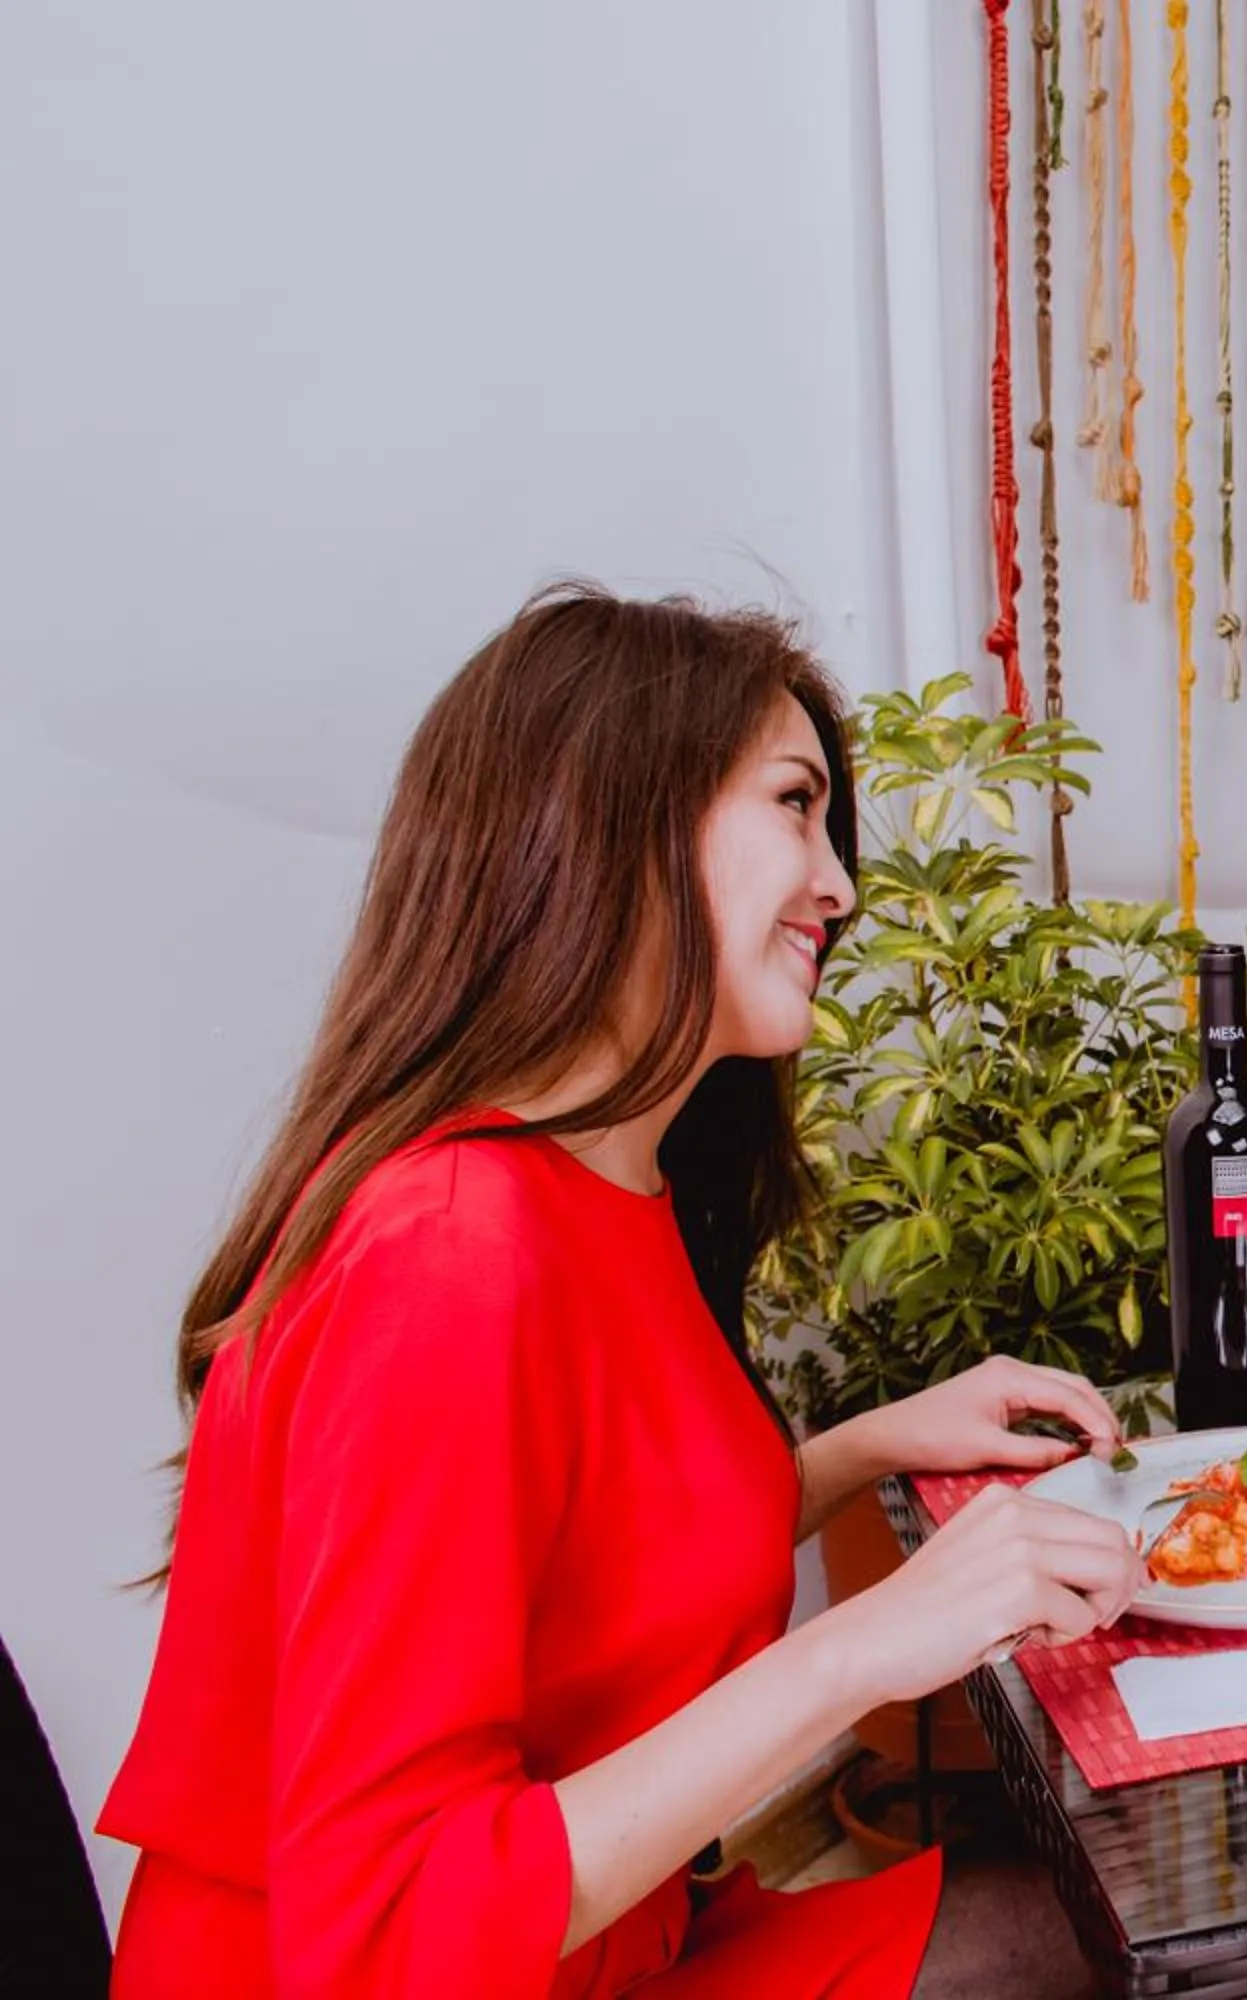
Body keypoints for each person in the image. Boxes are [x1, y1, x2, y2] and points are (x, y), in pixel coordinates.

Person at [100, 588, 1141, 1998]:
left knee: (1108, 1924)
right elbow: (394, 1930)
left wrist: (875, 1443)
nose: (838, 885)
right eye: (796, 805)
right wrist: (858, 1651)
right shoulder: (443, 1256)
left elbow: (607, 1566)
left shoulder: (605, 1188)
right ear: (615, 821)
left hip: (617, 1950)